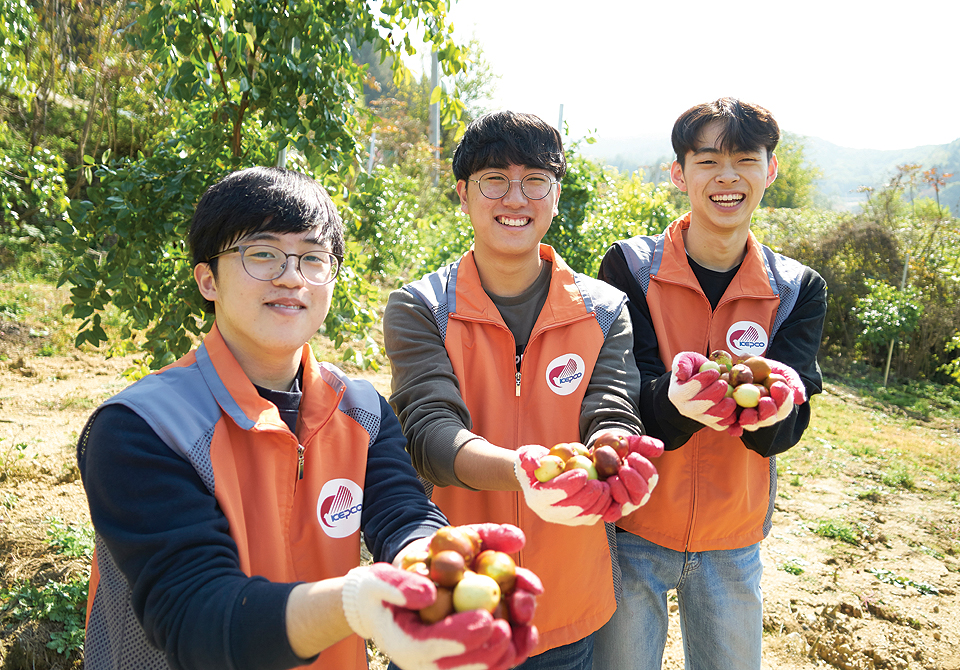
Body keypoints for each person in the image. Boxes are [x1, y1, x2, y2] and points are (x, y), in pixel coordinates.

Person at [78, 166, 540, 670]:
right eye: (262, 254)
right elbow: (196, 618)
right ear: (208, 278)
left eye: (313, 258)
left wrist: (430, 561)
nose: (292, 276)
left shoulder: (360, 411)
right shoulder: (143, 428)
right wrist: (356, 602)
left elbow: (402, 514)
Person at [383, 111, 663, 670]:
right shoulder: (422, 307)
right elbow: (429, 432)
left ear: (556, 196)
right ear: (463, 194)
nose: (516, 198)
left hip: (563, 595)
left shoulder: (604, 309)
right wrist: (527, 470)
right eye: (495, 181)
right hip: (455, 586)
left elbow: (610, 408)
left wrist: (615, 451)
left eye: (535, 181)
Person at [592, 98, 828, 670]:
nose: (728, 177)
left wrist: (774, 414)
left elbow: (788, 420)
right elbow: (620, 396)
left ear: (770, 171)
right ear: (679, 174)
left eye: (746, 159)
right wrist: (675, 405)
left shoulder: (797, 288)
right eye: (707, 161)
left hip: (733, 534)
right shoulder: (630, 269)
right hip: (635, 526)